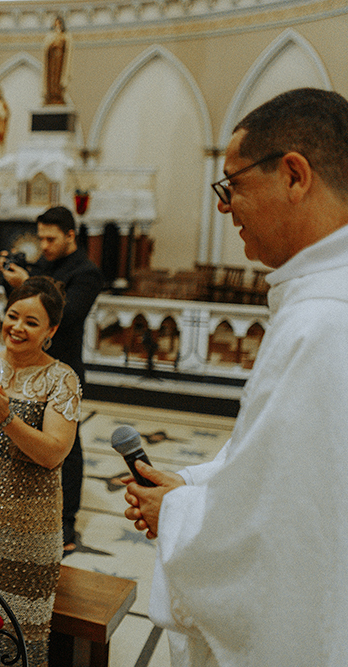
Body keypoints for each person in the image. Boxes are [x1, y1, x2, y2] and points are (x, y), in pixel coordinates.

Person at [123, 88, 348, 667]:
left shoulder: (323, 323)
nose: (225, 207)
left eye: (233, 185)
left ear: (294, 175)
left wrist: (174, 516)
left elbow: (290, 536)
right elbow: (291, 468)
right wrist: (191, 485)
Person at [0, 276, 80, 665]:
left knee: (20, 634)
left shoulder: (62, 378)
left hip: (30, 528)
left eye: (31, 322)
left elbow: (53, 454)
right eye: (12, 316)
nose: (17, 327)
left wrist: (7, 419)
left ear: (51, 330)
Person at [0, 205, 103, 554]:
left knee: (66, 447)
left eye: (50, 239)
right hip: (30, 365)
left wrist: (26, 284)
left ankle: (66, 520)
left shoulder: (86, 272)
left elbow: (69, 315)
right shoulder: (43, 264)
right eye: (40, 238)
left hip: (64, 368)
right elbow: (21, 308)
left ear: (71, 235)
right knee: (27, 437)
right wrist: (11, 281)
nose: (43, 246)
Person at [43, 16, 71, 106]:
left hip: (59, 60)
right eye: (56, 24)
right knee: (51, 78)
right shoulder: (51, 36)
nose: (57, 26)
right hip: (52, 61)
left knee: (58, 78)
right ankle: (51, 94)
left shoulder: (64, 36)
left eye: (59, 24)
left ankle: (58, 94)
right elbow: (47, 48)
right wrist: (52, 45)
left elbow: (66, 49)